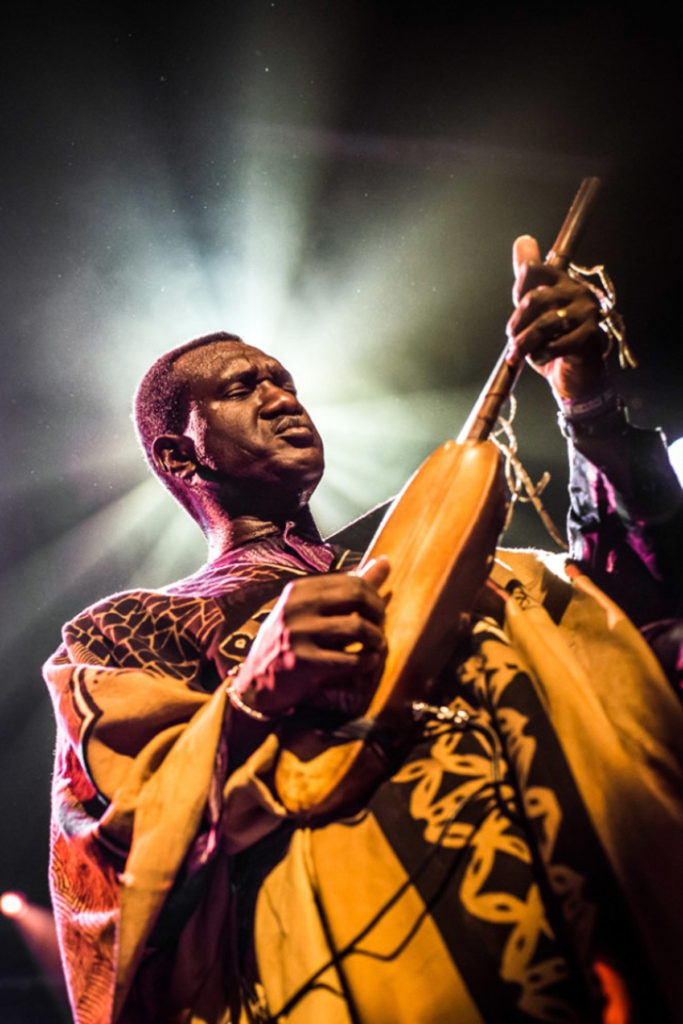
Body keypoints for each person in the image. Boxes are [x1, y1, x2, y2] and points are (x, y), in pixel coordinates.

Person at [44, 237, 683, 1024]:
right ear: (180, 453)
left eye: (285, 381)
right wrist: (248, 698)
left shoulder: (450, 554)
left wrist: (584, 402)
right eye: (245, 387)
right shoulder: (132, 627)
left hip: (596, 940)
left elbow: (633, 619)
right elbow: (110, 848)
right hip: (371, 980)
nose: (283, 397)